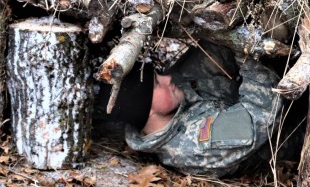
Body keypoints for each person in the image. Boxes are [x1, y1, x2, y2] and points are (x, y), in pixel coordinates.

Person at [98, 42, 283, 177]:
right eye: (156, 84)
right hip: (293, 128)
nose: (167, 78)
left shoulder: (171, 104)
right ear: (148, 110)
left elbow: (212, 50)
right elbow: (265, 107)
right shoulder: (193, 146)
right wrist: (249, 48)